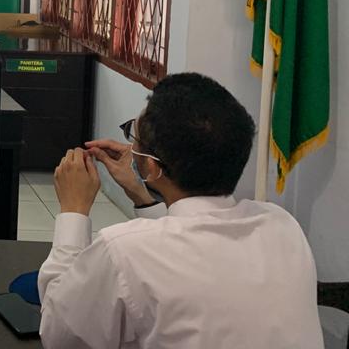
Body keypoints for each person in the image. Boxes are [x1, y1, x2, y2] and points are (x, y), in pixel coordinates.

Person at [38, 72, 323, 349]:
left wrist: (73, 211)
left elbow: (59, 335)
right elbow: (194, 246)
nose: (130, 146)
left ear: (151, 164)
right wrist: (142, 195)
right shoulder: (283, 226)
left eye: (133, 137)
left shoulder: (123, 250)